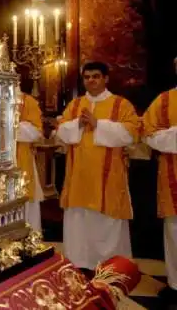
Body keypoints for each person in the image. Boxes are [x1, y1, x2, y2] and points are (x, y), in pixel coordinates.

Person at [55, 61, 139, 271]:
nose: (91, 80)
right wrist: (78, 125)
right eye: (87, 77)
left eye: (96, 76)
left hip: (108, 178)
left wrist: (98, 124)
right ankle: (80, 264)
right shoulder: (74, 105)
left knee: (107, 223)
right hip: (78, 178)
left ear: (106, 79)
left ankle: (111, 267)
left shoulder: (121, 105)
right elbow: (60, 132)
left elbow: (130, 134)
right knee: (79, 222)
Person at [140, 57, 177, 303]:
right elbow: (147, 133)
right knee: (174, 230)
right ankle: (175, 283)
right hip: (173, 174)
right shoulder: (165, 100)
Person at [17, 91, 44, 232]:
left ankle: (28, 239)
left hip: (22, 160)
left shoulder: (27, 100)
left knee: (24, 198)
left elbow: (36, 133)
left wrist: (10, 123)